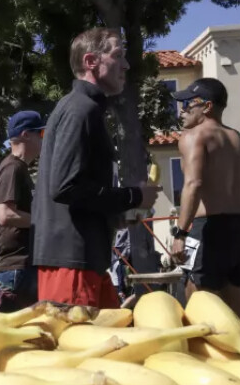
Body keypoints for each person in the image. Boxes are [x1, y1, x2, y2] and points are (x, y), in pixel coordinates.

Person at [33, 27, 161, 308]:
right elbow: (65, 187)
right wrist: (134, 196)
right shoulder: (81, 109)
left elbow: (77, 192)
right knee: (78, 336)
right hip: (72, 263)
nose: (126, 65)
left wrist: (115, 215)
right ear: (91, 61)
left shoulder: (84, 108)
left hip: (85, 259)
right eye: (118, 55)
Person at [169, 78, 240, 318]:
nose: (182, 110)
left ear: (207, 106)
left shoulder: (194, 136)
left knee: (200, 319)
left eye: (188, 103)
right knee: (236, 322)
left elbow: (193, 184)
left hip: (208, 230)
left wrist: (180, 233)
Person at [0, 110, 44, 311]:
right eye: (41, 133)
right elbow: (6, 214)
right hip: (17, 267)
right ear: (26, 135)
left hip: (17, 267)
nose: (43, 139)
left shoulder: (15, 168)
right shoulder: (13, 168)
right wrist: (46, 222)